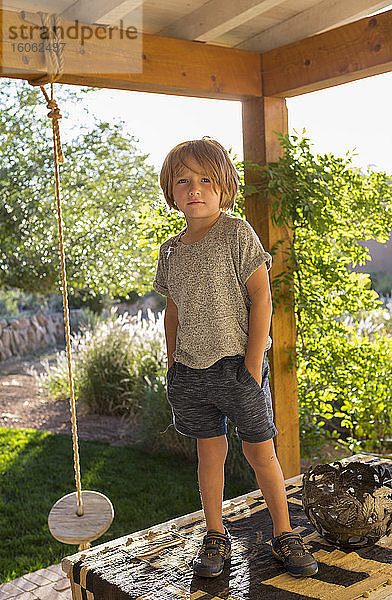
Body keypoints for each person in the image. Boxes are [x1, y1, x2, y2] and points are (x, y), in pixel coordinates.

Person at [153, 136, 318, 579]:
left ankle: (283, 533)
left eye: (206, 179)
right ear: (171, 190)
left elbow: (262, 299)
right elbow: (172, 311)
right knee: (210, 453)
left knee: (260, 451)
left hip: (237, 370)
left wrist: (250, 365)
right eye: (184, 181)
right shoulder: (171, 250)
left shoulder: (237, 233)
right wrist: (173, 364)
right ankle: (215, 533)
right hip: (190, 373)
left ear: (224, 187)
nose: (195, 189)